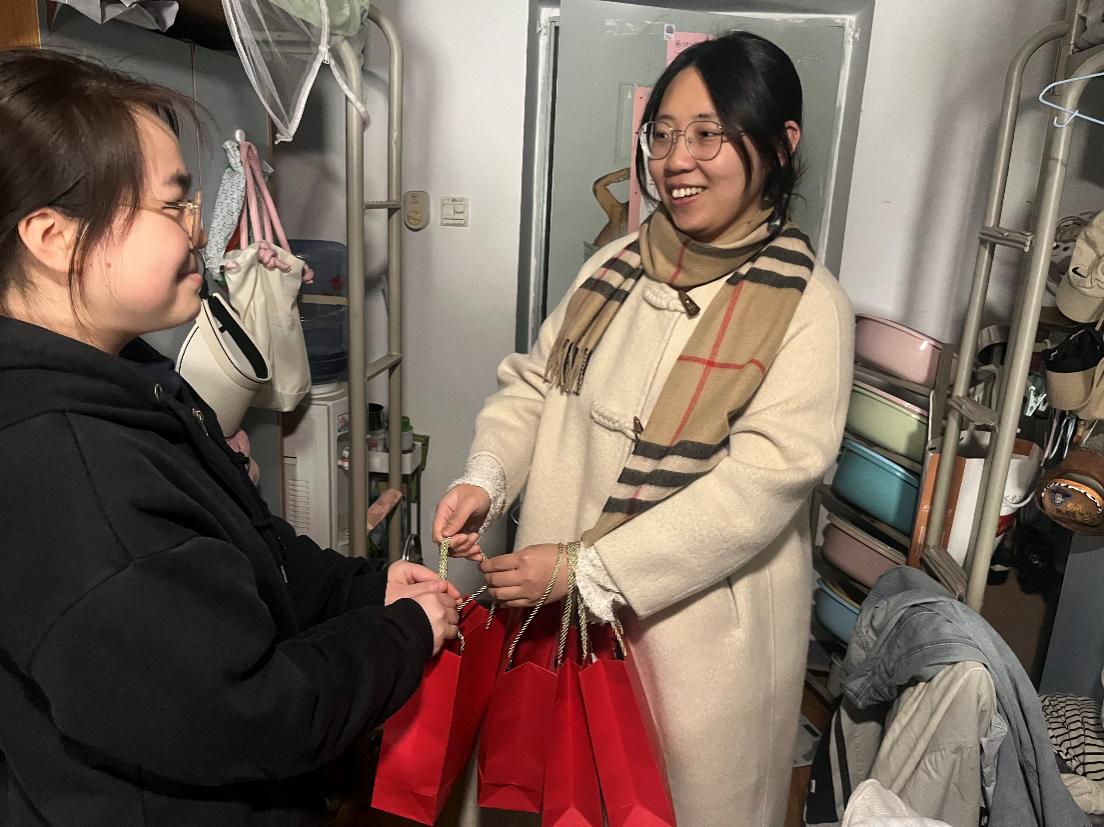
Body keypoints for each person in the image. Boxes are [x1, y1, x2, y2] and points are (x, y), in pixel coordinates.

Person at [0, 49, 459, 826]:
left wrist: (362, 589)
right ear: (55, 236)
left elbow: (249, 549)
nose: (197, 226)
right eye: (172, 203)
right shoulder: (74, 477)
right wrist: (405, 632)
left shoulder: (127, 381)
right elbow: (261, 710)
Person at [435, 31, 854, 826]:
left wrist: (587, 568)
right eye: (662, 133)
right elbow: (535, 383)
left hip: (693, 649)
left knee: (668, 804)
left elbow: (758, 488)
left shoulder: (810, 308)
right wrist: (486, 476)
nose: (676, 160)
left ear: (780, 144)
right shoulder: (615, 266)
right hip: (561, 612)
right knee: (552, 793)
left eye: (708, 133)